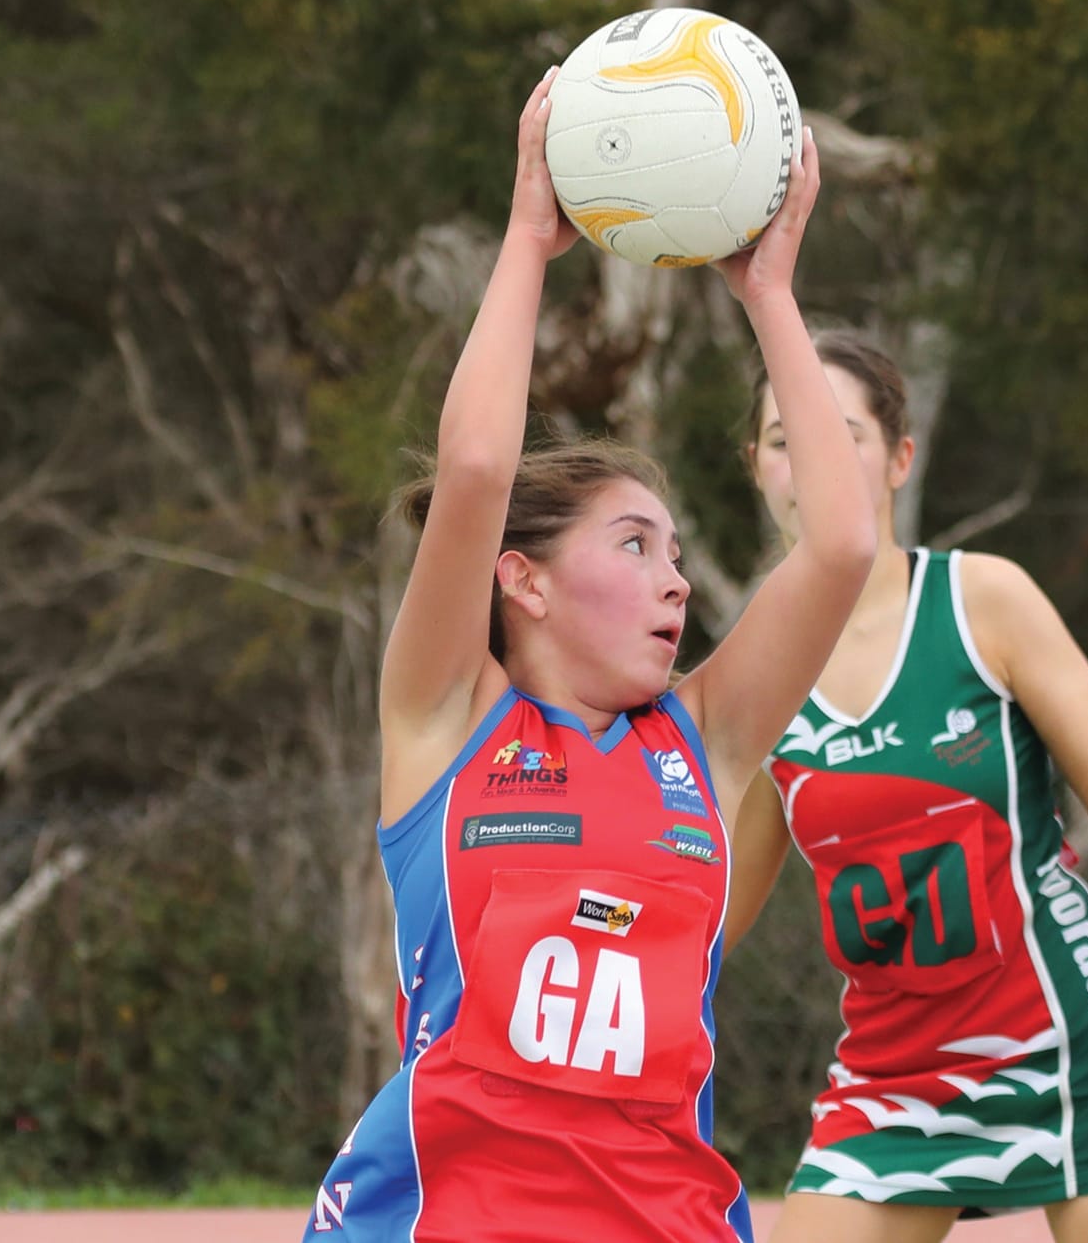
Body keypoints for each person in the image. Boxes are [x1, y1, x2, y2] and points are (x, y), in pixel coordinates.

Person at [302, 69, 874, 1243]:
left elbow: (843, 542)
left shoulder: (700, 748)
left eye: (673, 551)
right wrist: (525, 240)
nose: (675, 579)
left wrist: (769, 294)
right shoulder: (448, 719)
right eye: (633, 544)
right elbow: (472, 475)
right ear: (524, 580)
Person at [725, 332, 1088, 1243]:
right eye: (784, 437)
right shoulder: (747, 678)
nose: (809, 454)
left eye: (839, 430)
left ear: (899, 458)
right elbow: (709, 917)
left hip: (1068, 1046)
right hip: (894, 1077)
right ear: (756, 466)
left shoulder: (983, 603)